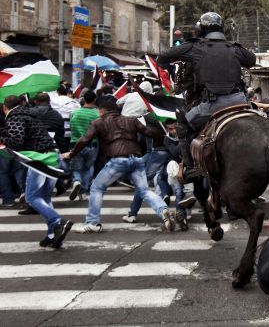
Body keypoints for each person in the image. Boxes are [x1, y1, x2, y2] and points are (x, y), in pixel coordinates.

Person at [156, 11, 256, 181]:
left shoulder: (194, 47)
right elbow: (251, 60)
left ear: (201, 29)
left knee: (182, 125)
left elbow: (163, 57)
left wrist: (172, 61)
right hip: (239, 101)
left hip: (212, 105)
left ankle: (189, 168)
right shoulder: (234, 48)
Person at [62, 97, 174, 233]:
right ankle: (163, 211)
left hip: (118, 160)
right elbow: (150, 133)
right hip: (136, 159)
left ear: (102, 111)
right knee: (144, 191)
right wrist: (164, 133)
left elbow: (85, 139)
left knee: (97, 188)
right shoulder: (131, 120)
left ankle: (92, 222)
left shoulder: (98, 122)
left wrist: (71, 154)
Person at [0, 95, 73, 248]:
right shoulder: (30, 114)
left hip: (40, 159)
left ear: (4, 108)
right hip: (52, 155)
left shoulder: (15, 116)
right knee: (45, 199)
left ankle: (58, 222)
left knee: (32, 197)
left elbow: (15, 140)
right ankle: (52, 234)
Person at [68, 90, 100, 202]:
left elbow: (71, 127)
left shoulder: (74, 113)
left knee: (76, 167)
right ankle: (83, 192)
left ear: (83, 99)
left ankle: (76, 180)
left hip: (76, 143)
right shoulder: (97, 114)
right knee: (87, 168)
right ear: (94, 100)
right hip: (92, 144)